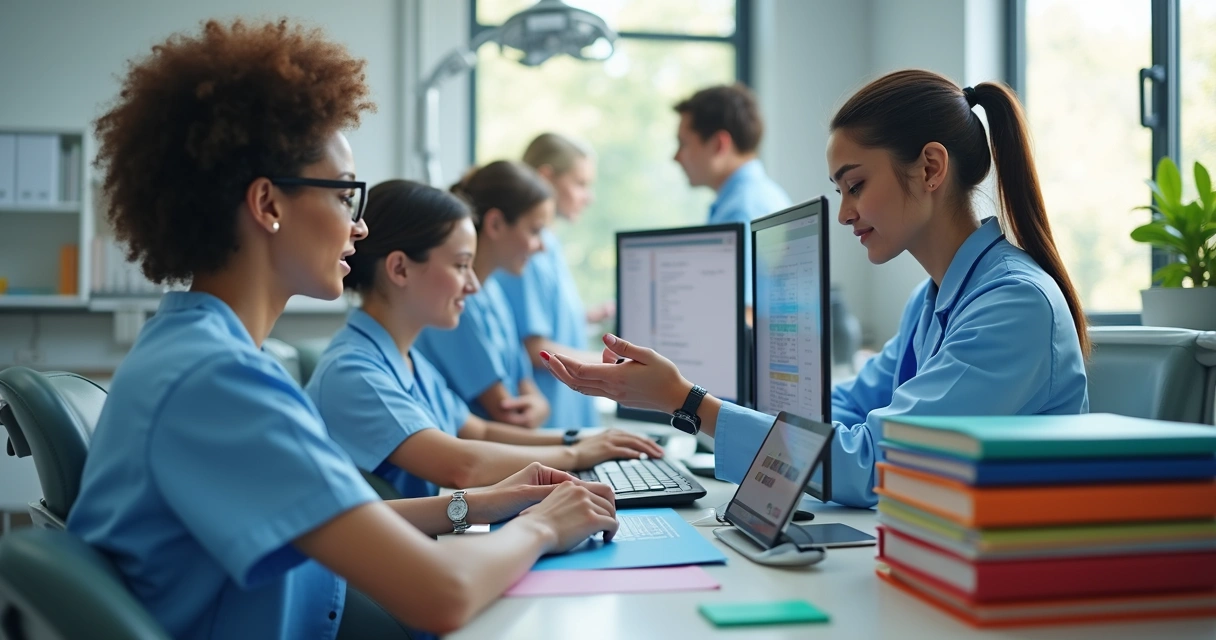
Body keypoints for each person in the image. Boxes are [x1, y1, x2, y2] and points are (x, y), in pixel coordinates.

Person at [66, 19, 617, 639]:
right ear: (268, 205)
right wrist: (545, 525)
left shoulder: (202, 354)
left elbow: (341, 514)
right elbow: (445, 593)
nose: (360, 227)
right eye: (344, 196)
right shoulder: (218, 383)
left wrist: (490, 504)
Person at [542, 70, 1090, 509]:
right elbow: (840, 409)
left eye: (856, 186)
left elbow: (875, 463)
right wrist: (693, 398)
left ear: (929, 167)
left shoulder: (1013, 306)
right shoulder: (931, 301)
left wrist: (689, 404)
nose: (845, 212)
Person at [306, 179, 664, 499]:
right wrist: (577, 455)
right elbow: (461, 466)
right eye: (461, 266)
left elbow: (478, 431)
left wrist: (580, 439)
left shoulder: (405, 360)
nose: (473, 285)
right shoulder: (353, 372)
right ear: (400, 269)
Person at [415, 161, 554, 428]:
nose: (542, 247)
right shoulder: (452, 302)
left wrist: (541, 406)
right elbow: (508, 412)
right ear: (496, 224)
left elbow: (527, 387)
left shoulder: (493, 292)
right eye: (535, 231)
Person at [496, 133, 607, 430]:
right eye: (580, 184)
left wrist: (583, 319)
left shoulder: (549, 244)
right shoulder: (526, 249)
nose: (588, 197)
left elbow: (543, 320)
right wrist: (613, 364)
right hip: (548, 419)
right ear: (546, 178)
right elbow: (536, 349)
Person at [673, 83, 791, 315]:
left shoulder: (741, 210)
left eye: (683, 144)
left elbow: (743, 316)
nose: (675, 157)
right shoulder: (759, 196)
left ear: (719, 144)